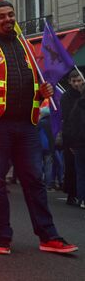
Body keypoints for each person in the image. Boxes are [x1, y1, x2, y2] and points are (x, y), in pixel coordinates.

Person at [0, 0, 78, 254]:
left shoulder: (26, 46)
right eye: (1, 16)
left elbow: (35, 83)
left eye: (11, 15)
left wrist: (43, 91)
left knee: (35, 181)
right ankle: (2, 236)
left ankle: (48, 236)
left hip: (27, 125)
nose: (7, 19)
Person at [60, 69, 84, 205]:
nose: (77, 84)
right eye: (74, 81)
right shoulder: (66, 97)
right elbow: (68, 119)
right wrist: (70, 141)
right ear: (69, 82)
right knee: (71, 166)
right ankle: (71, 194)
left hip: (82, 135)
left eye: (79, 80)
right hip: (71, 136)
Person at [67, 85, 85, 208]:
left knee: (80, 172)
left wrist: (72, 143)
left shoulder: (77, 106)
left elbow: (72, 125)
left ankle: (82, 199)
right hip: (79, 143)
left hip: (78, 143)